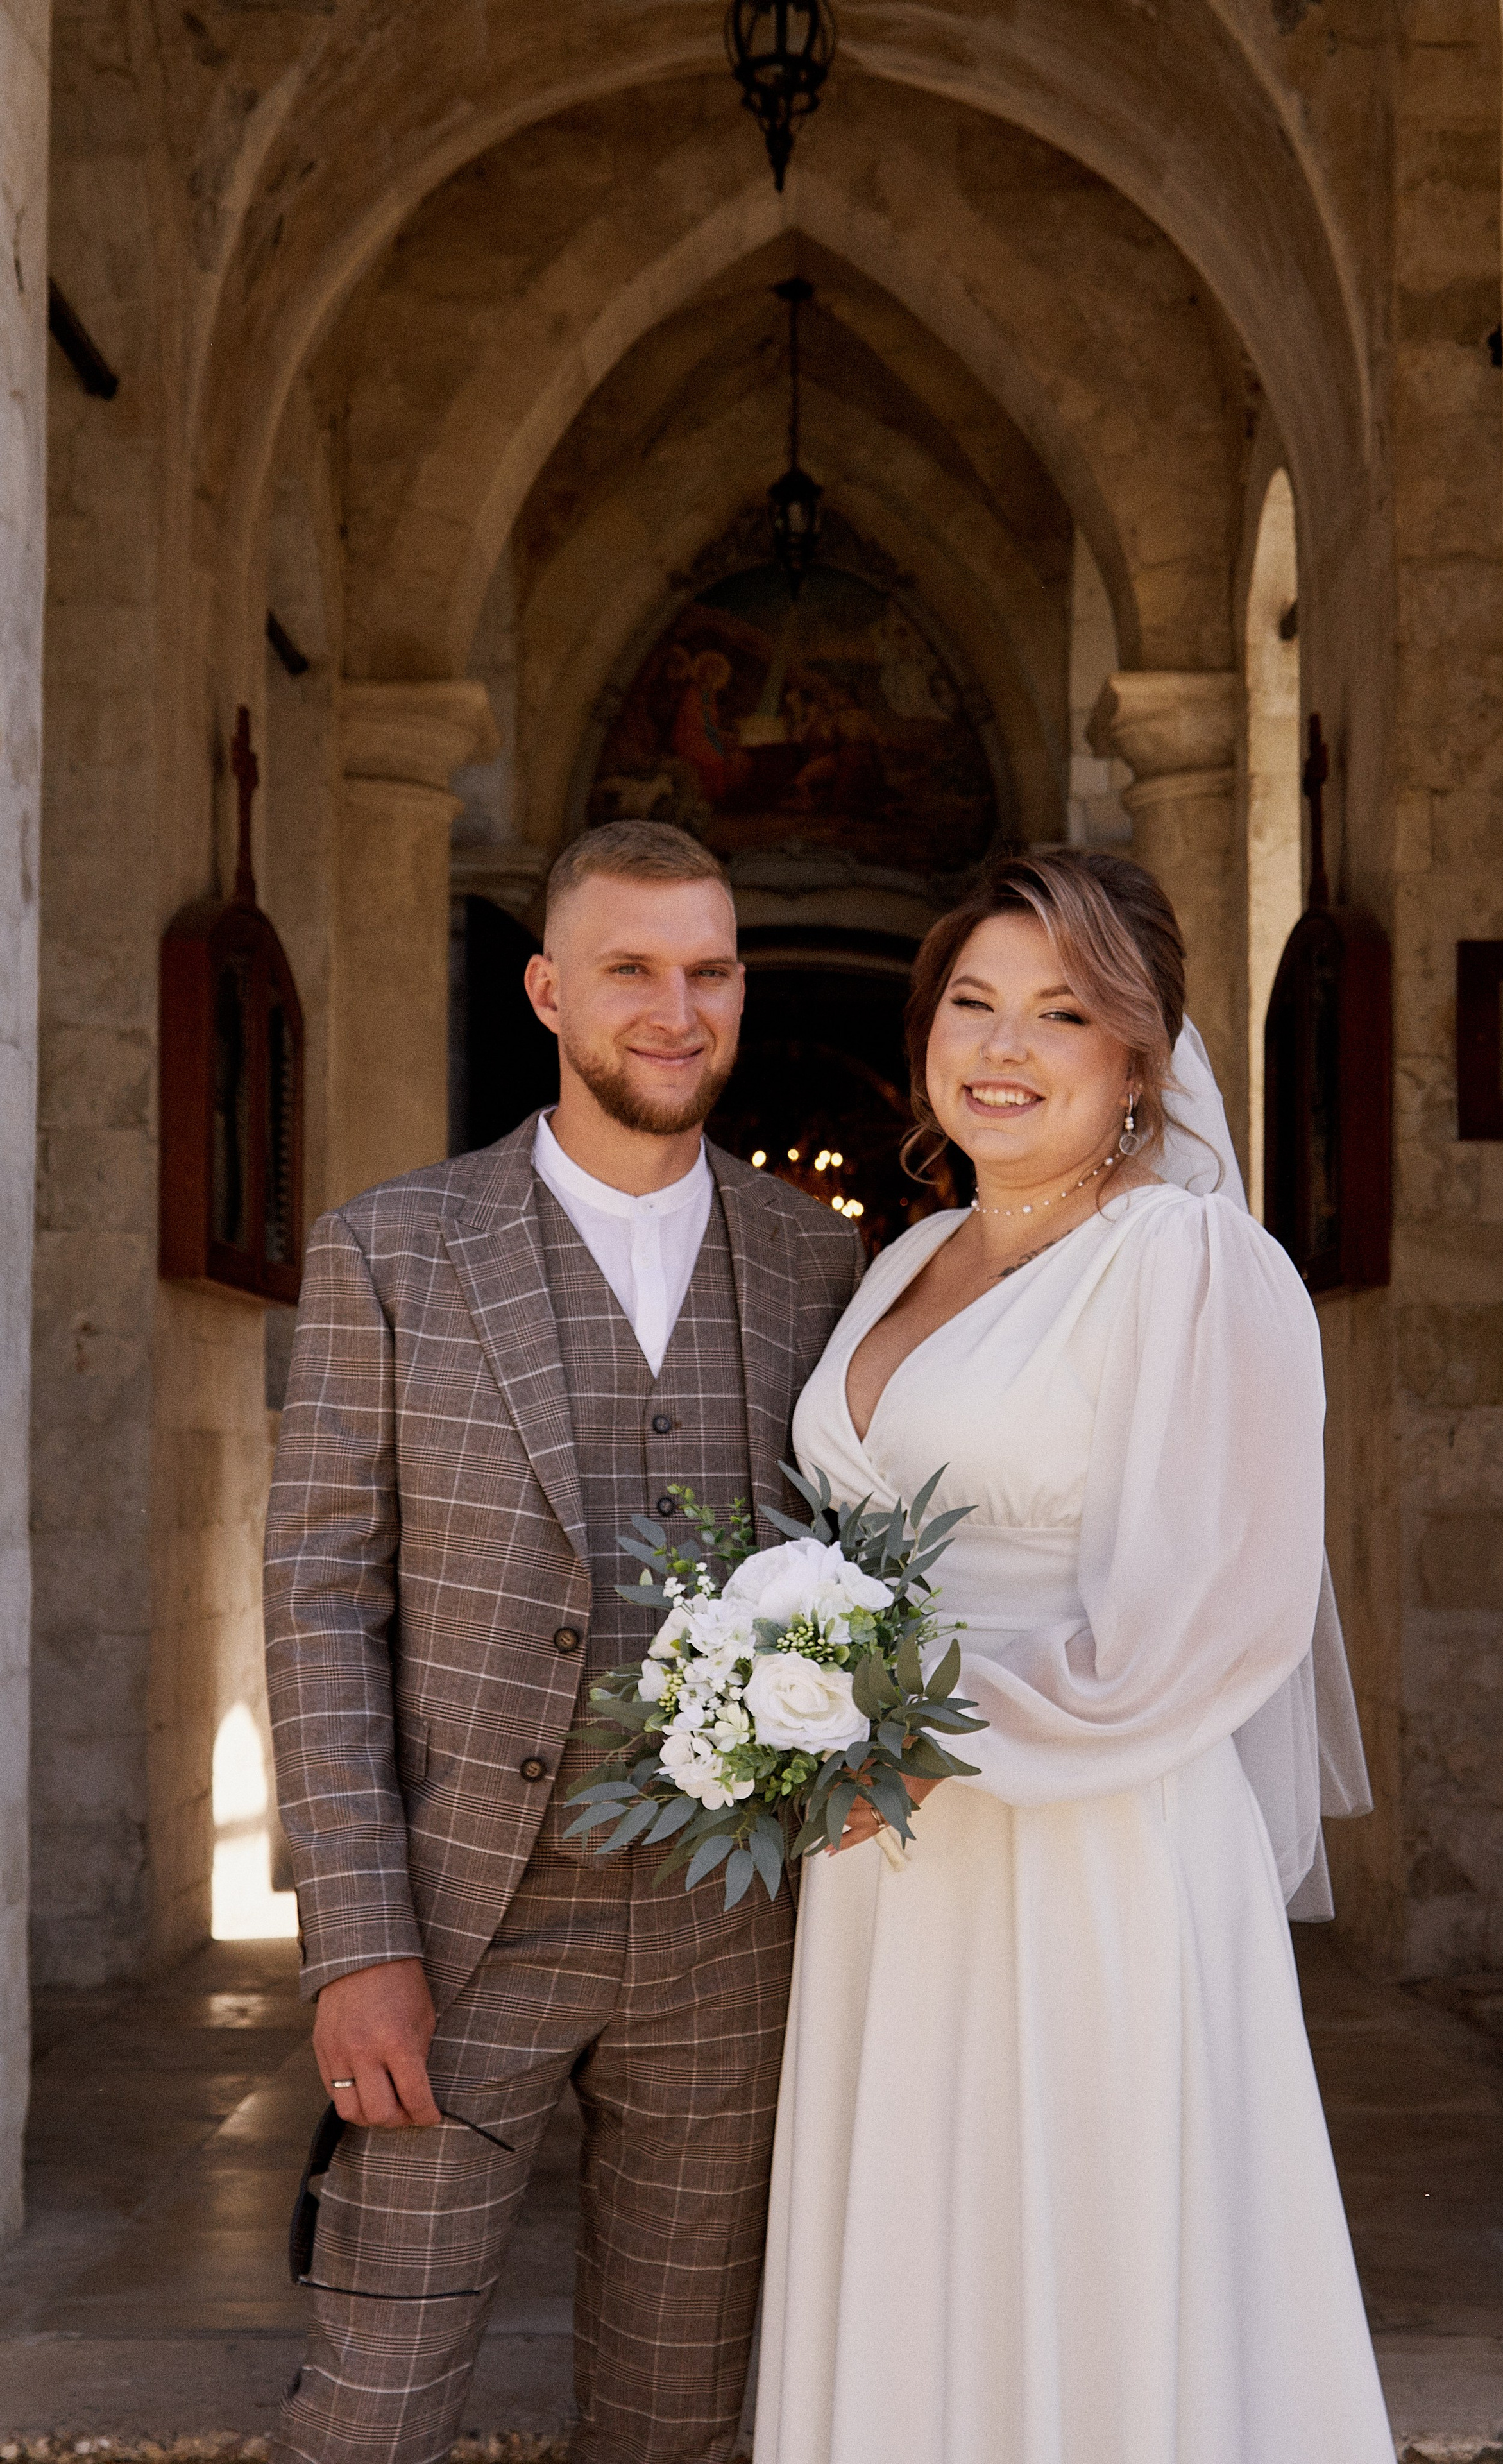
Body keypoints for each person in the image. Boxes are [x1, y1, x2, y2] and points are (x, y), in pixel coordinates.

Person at [755, 850, 1395, 2464]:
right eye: (970, 1003)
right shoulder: (906, 1262)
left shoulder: (1186, 1263)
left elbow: (1216, 1614)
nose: (1001, 1047)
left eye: (1059, 1012)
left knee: (1086, 2254)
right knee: (912, 2244)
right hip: (889, 1868)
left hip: (1085, 1843)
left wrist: (908, 1743)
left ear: (1137, 1054)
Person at [265, 821, 860, 2464]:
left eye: (710, 971)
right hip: (458, 1927)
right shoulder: (392, 1248)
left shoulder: (821, 1259)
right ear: (545, 990)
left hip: (731, 1932)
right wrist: (353, 1942)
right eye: (631, 970)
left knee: (679, 2413)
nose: (676, 1010)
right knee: (373, 2402)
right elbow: (320, 1603)